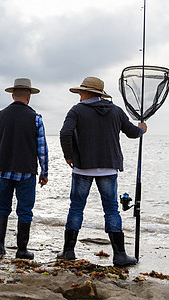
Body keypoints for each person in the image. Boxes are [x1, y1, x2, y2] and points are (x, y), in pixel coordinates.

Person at [58, 76, 147, 267]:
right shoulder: (115, 111)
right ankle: (120, 255)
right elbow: (132, 132)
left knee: (76, 207)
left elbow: (65, 133)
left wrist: (69, 156)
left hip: (83, 167)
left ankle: (68, 251)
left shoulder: (77, 110)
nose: (79, 95)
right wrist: (142, 130)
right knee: (111, 210)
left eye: (81, 92)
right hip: (109, 167)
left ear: (86, 92)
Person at [0, 78, 48, 259]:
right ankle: (21, 250)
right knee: (25, 210)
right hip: (27, 171)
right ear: (29, 96)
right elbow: (42, 149)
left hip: (4, 169)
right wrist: (45, 172)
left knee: (2, 207)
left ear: (12, 95)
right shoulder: (36, 118)